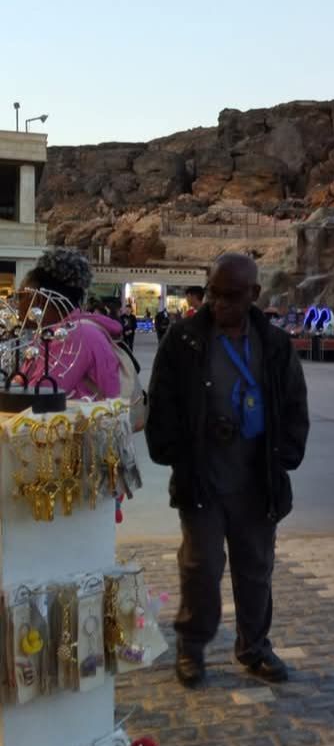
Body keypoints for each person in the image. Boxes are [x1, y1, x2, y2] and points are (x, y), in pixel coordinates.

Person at [146, 253, 310, 689]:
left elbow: (294, 403)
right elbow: (161, 401)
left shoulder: (273, 344)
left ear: (254, 294)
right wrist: (178, 450)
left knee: (255, 568)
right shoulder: (184, 340)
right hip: (203, 478)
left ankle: (254, 647)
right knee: (200, 567)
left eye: (231, 296)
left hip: (256, 480)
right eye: (213, 293)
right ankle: (191, 648)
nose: (219, 303)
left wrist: (285, 456)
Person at [18, 249, 122, 400]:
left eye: (20, 296)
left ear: (38, 299)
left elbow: (39, 397)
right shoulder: (68, 332)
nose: (17, 304)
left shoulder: (73, 336)